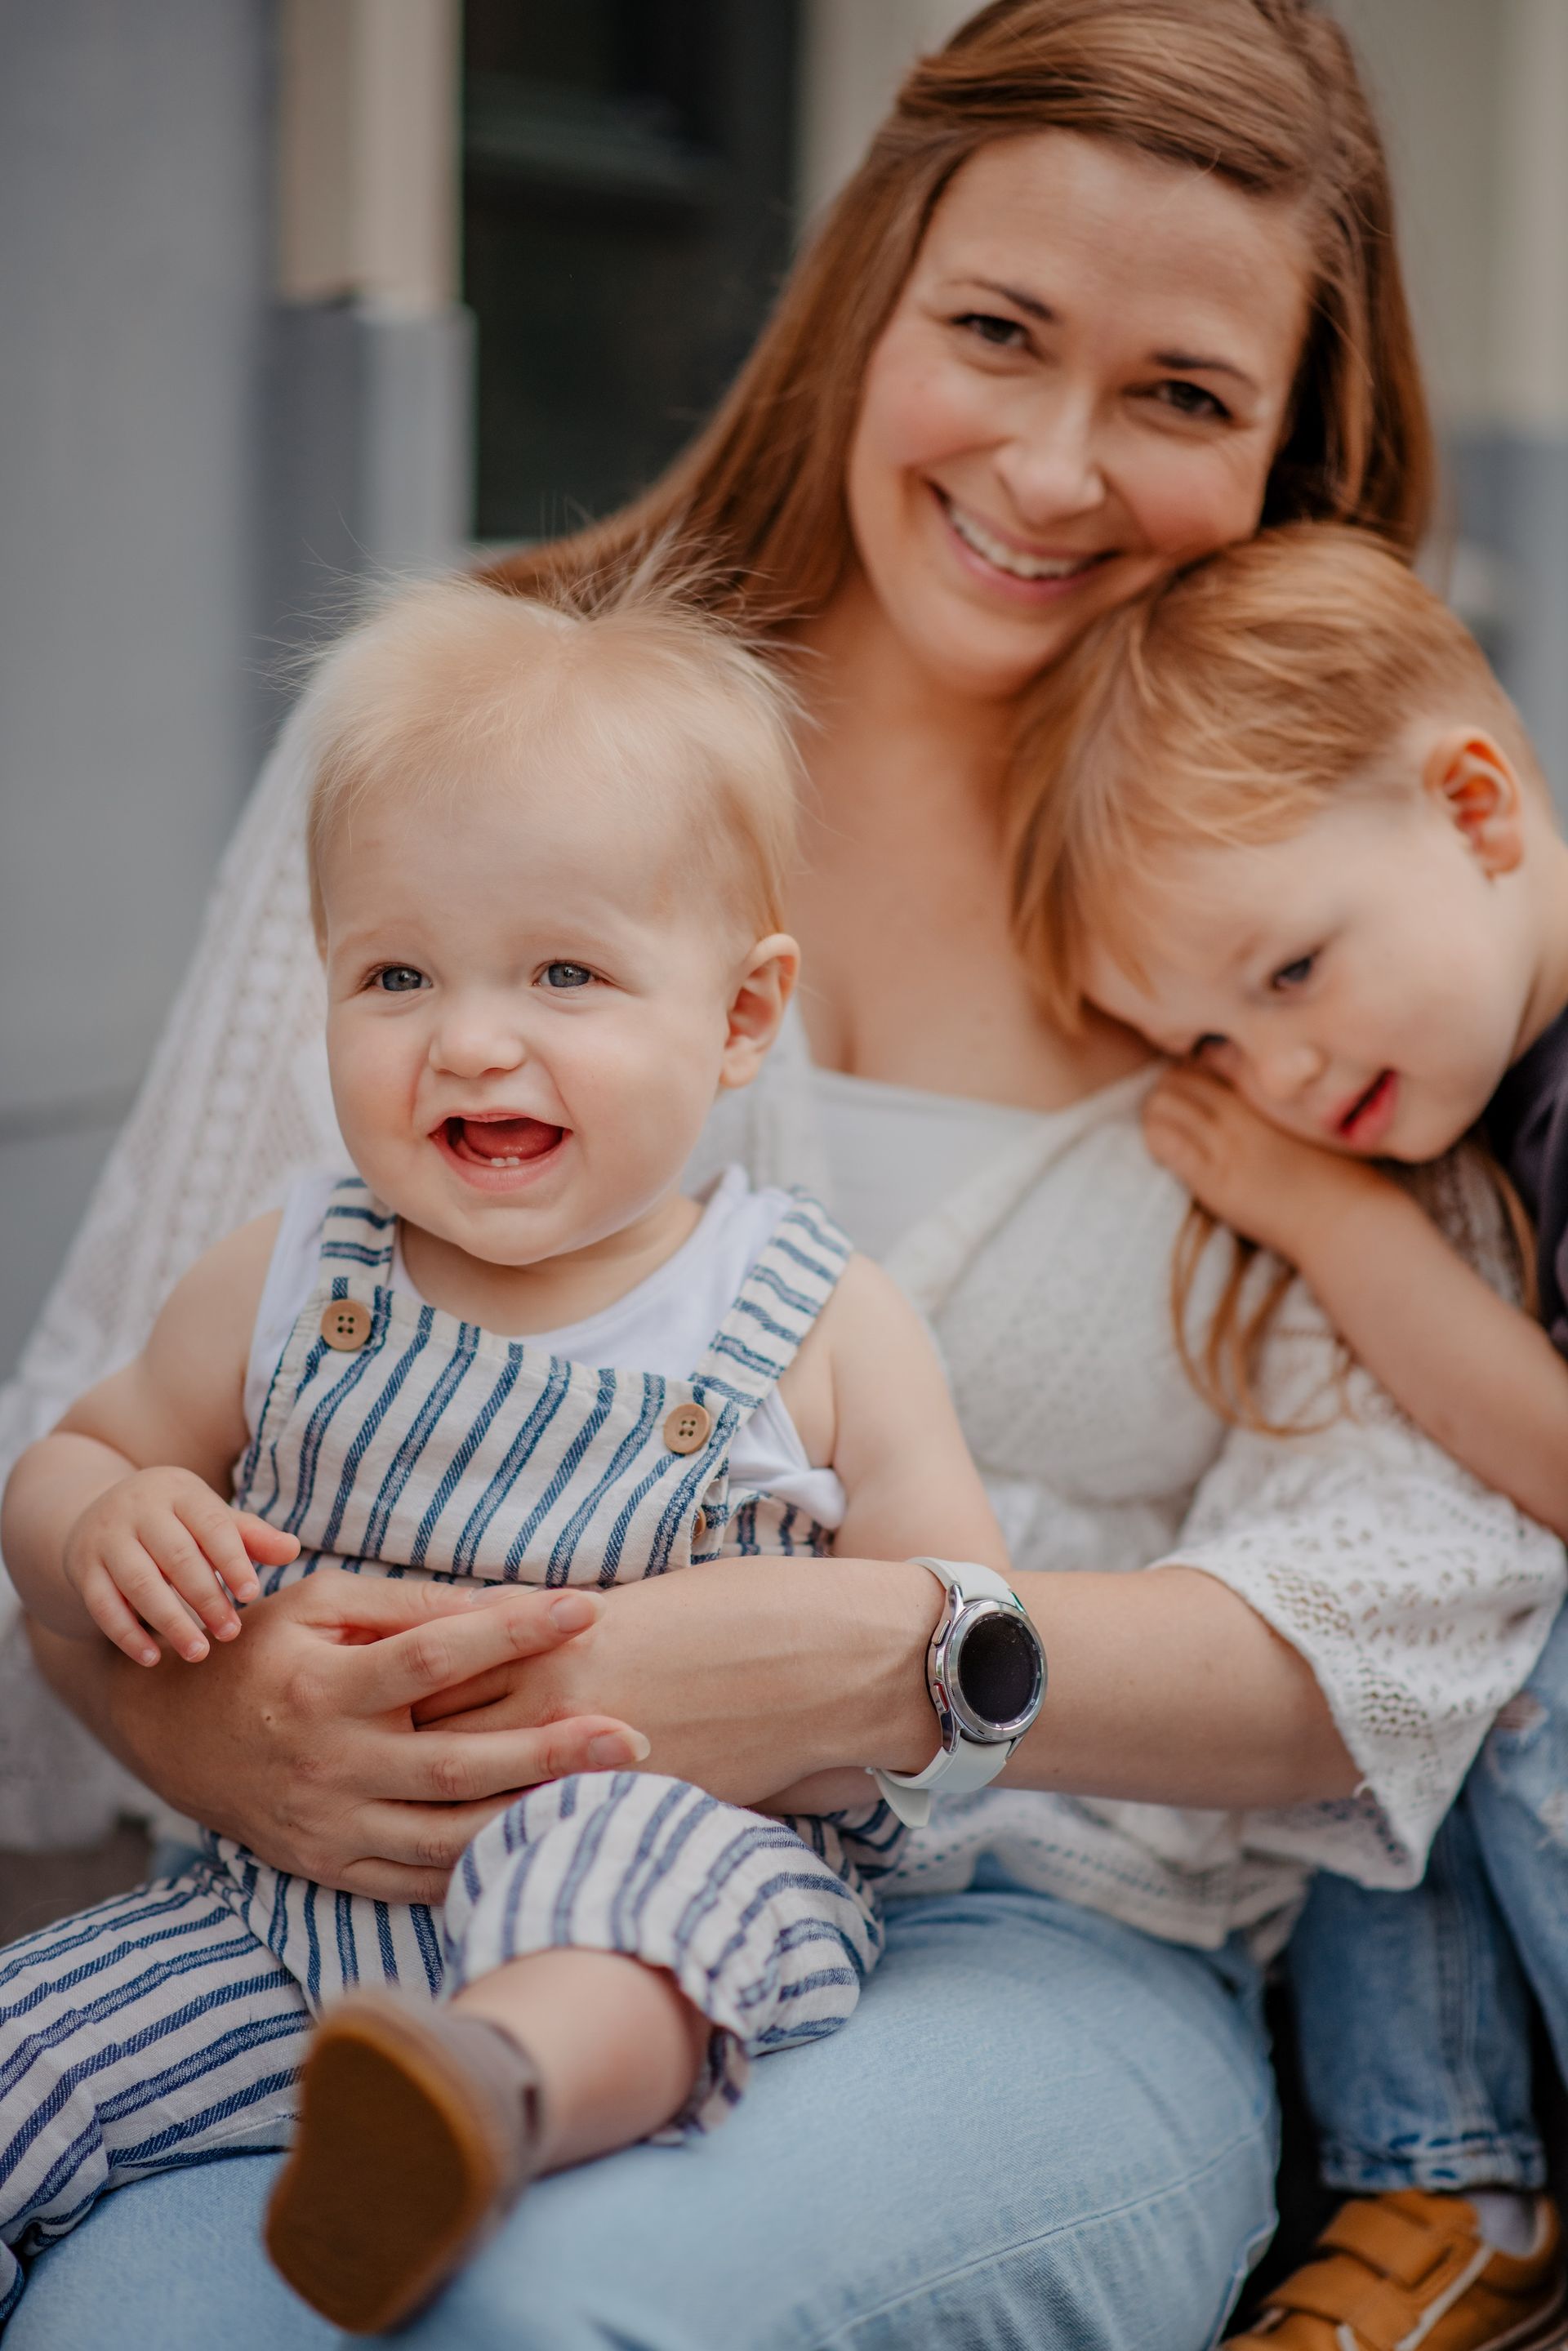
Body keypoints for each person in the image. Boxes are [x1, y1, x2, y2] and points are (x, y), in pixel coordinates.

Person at [0, 6, 1559, 2346]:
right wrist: (214, 1721)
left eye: (1182, 395)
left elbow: (1428, 1595)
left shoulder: (1283, 896)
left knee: (552, 2315)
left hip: (1045, 1939)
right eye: (1000, 334)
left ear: (1289, 442)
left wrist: (910, 1663)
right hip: (348, 1911)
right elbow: (127, 1435)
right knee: (151, 2326)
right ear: (867, 295)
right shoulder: (462, 738)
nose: (1049, 467)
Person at [0, 573, 1015, 2335]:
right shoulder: (289, 1272)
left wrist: (855, 1742)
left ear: (742, 1017)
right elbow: (67, 1463)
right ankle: (373, 2110)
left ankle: (485, 2096)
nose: (471, 1035)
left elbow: (947, 1632)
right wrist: (112, 1521)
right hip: (280, 1916)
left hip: (665, 1887)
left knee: (619, 1884)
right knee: (27, 2063)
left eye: (565, 970)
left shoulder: (815, 1317)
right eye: (395, 972)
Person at [1034, 520, 1568, 2351]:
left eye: (1286, 977)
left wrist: (1333, 1227)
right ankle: (1447, 2177)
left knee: (1509, 1637)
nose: (1274, 1087)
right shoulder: (1473, 1077)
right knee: (1385, 1612)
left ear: (1478, 809)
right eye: (1212, 1043)